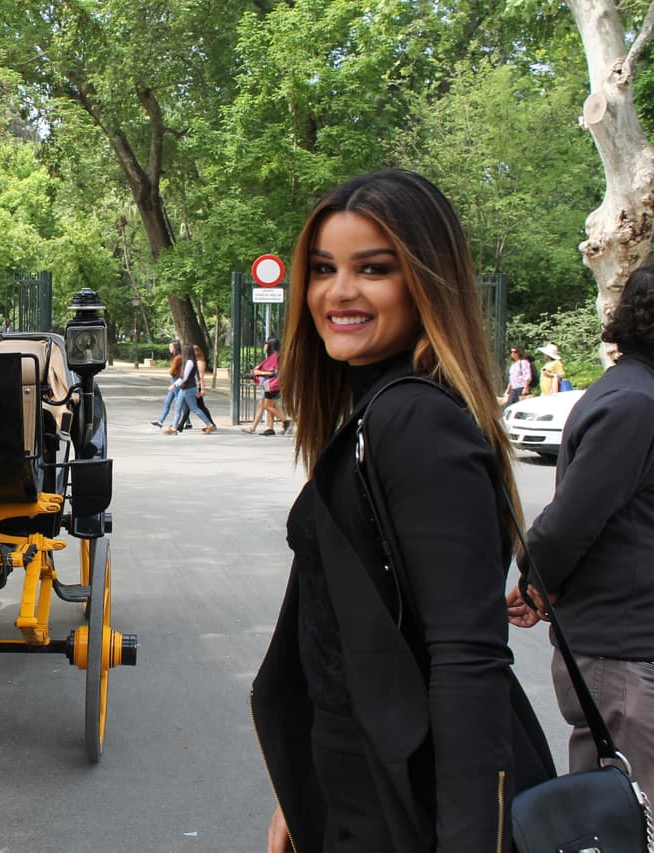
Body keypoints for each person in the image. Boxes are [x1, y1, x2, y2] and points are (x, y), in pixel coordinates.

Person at [252, 170, 553, 853]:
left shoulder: (416, 422)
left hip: (410, 804)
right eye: (324, 268)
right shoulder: (374, 410)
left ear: (427, 280)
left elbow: (467, 659)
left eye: (374, 269)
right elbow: (342, 634)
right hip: (354, 786)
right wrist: (302, 793)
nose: (339, 291)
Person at [507, 254, 654, 795]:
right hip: (624, 659)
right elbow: (567, 525)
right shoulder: (635, 404)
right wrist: (535, 580)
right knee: (626, 825)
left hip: (625, 652)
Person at [164, 343, 215, 434]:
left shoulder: (189, 362)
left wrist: (174, 385)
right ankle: (174, 427)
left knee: (194, 408)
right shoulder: (189, 361)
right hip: (186, 388)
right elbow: (195, 377)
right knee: (178, 407)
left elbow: (185, 377)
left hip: (188, 388)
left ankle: (209, 424)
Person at [241, 337, 288, 435]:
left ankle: (286, 422)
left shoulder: (275, 357)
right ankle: (269, 428)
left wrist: (260, 372)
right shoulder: (273, 356)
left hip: (271, 384)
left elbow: (274, 372)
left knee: (268, 405)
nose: (264, 346)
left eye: (266, 343)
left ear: (270, 345)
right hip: (269, 384)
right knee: (267, 405)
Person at [150, 340, 183, 428]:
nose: (169, 348)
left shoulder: (178, 358)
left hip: (176, 380)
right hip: (174, 380)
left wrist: (171, 373)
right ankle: (160, 421)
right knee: (167, 402)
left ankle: (186, 422)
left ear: (175, 348)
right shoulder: (176, 357)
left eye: (171, 347)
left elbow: (173, 371)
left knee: (179, 404)